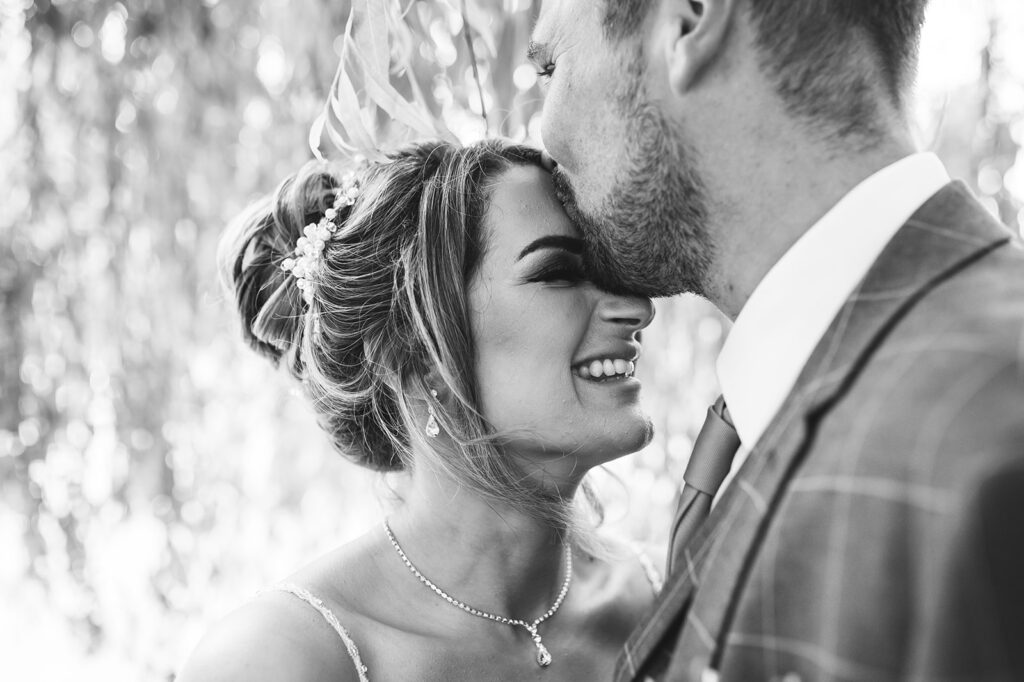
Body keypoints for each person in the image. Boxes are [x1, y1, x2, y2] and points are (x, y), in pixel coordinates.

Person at [531, 1, 1024, 680]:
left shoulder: (991, 440)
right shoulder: (801, 396)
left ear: (690, 20)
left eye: (549, 64)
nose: (542, 133)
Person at [176, 139, 664, 681]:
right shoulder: (280, 658)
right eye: (557, 272)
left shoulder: (663, 598)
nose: (637, 308)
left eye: (608, 271)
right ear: (418, 350)